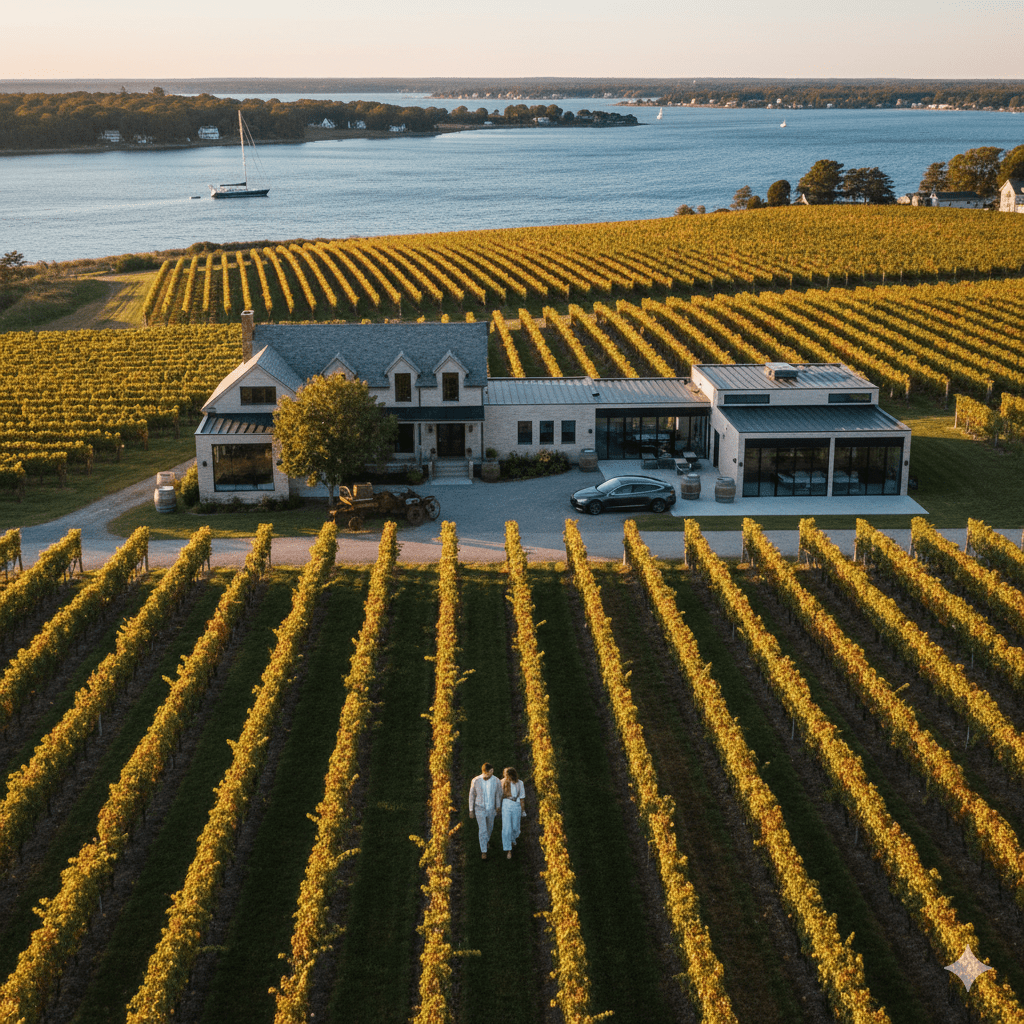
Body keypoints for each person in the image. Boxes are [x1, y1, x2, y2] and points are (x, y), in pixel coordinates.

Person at [468, 762, 501, 859]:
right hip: (480, 808)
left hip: (491, 808)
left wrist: (498, 806)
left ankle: (486, 841)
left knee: (489, 828)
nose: (492, 773)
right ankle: (484, 851)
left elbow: (498, 794)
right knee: (482, 830)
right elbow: (471, 795)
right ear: (485, 772)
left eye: (492, 771)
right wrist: (471, 810)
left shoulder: (496, 780)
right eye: (490, 771)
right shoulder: (475, 781)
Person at [500, 767, 525, 859]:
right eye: (505, 775)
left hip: (517, 805)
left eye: (507, 775)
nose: (506, 777)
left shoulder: (520, 783)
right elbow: (498, 795)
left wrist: (523, 810)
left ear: (512, 775)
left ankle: (513, 838)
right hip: (506, 804)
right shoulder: (502, 782)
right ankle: (508, 849)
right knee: (507, 827)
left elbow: (522, 797)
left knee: (515, 827)